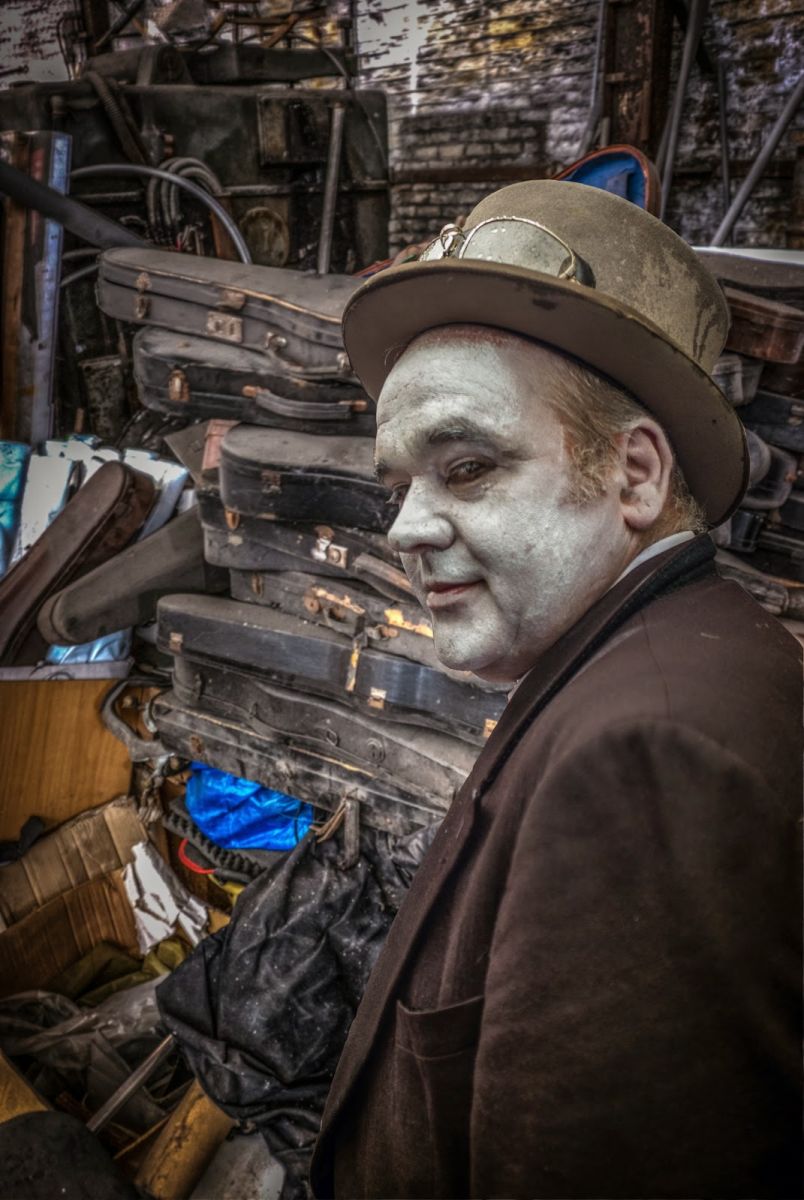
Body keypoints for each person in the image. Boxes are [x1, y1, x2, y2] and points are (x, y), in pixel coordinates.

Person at [309, 180, 803, 1199]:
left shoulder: (651, 750)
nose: (404, 529)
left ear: (634, 474)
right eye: (400, 483)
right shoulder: (664, 657)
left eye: (469, 467)